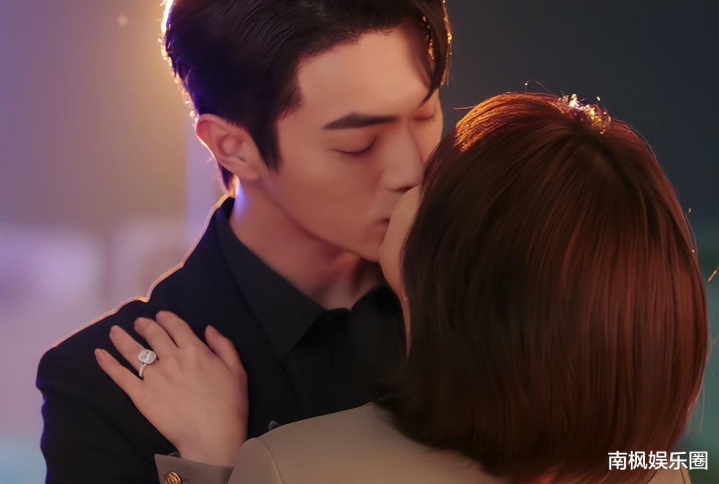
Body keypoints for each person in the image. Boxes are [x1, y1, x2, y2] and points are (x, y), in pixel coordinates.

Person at [99, 93, 707, 484]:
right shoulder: (653, 469)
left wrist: (207, 462)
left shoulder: (294, 468)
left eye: (431, 181)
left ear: (448, 264)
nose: (405, 173)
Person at [36, 0, 451, 482]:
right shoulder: (106, 387)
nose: (412, 168)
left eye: (425, 115)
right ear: (233, 147)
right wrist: (206, 468)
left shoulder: (494, 302)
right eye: (358, 145)